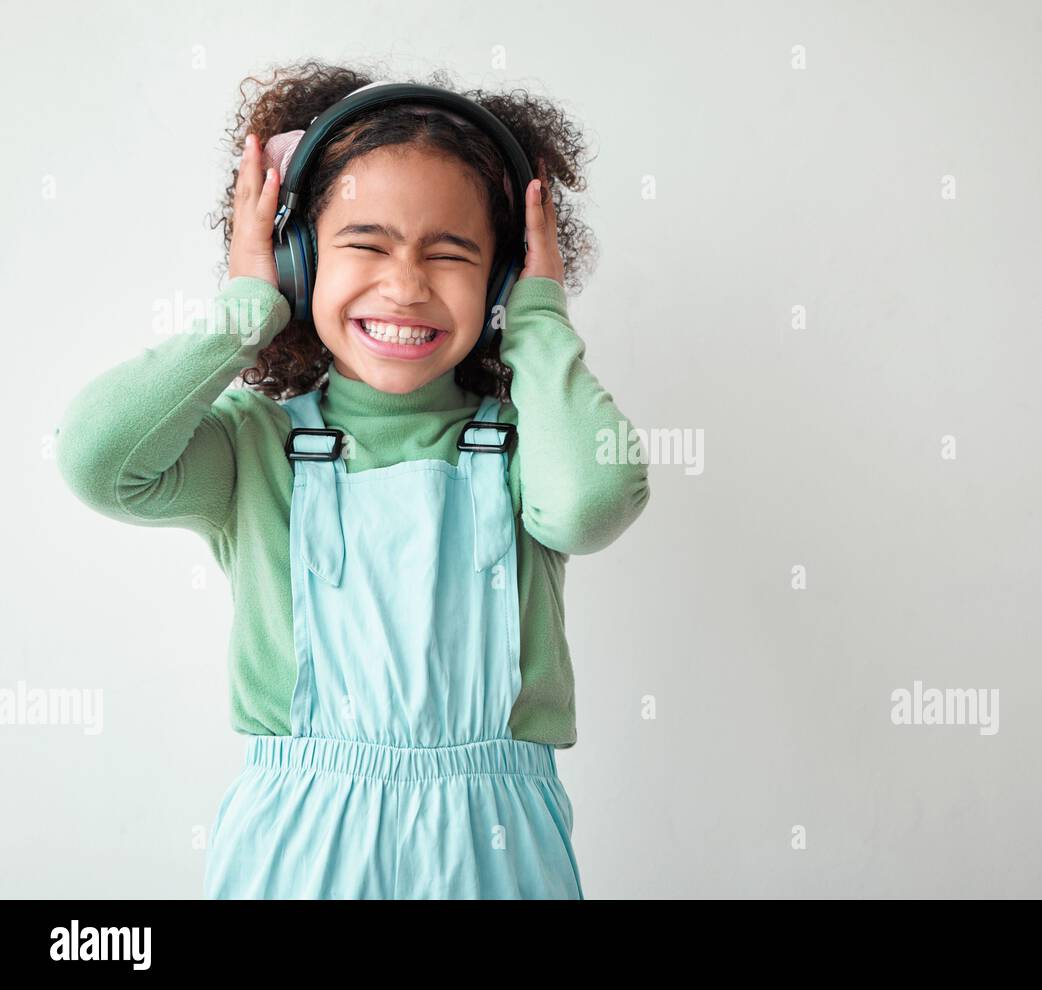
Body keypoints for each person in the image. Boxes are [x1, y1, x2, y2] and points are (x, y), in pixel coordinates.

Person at [54, 61, 651, 899]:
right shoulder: (252, 447)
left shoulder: (526, 444)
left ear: (503, 280)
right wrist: (244, 310)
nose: (405, 287)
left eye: (452, 254)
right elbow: (95, 459)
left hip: (498, 842)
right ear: (298, 261)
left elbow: (592, 504)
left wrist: (542, 321)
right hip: (300, 838)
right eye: (365, 244)